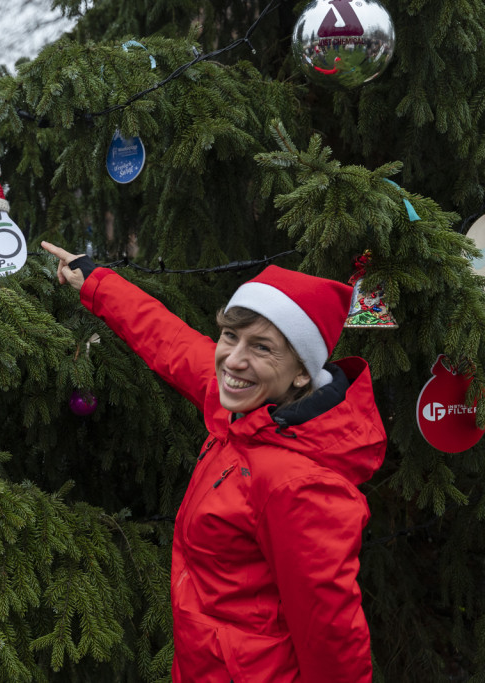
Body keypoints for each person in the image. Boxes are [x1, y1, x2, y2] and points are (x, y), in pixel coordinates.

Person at [41, 241, 386, 683]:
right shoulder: (247, 408)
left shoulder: (300, 485)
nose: (234, 359)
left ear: (302, 372)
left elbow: (331, 637)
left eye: (262, 348)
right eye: (230, 335)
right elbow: (171, 340)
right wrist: (95, 281)